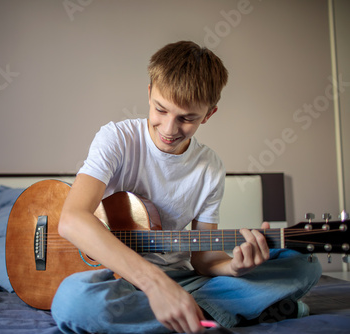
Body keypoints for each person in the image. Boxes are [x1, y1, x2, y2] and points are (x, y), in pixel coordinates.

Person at [51, 41, 321, 334]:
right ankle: (212, 313)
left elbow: (205, 259)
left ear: (208, 114)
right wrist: (156, 286)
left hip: (182, 280)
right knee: (74, 301)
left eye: (186, 118)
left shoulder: (210, 167)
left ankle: (184, 313)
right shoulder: (116, 139)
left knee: (305, 265)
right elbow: (72, 219)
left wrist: (235, 268)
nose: (169, 129)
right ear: (149, 92)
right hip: (117, 280)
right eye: (160, 110)